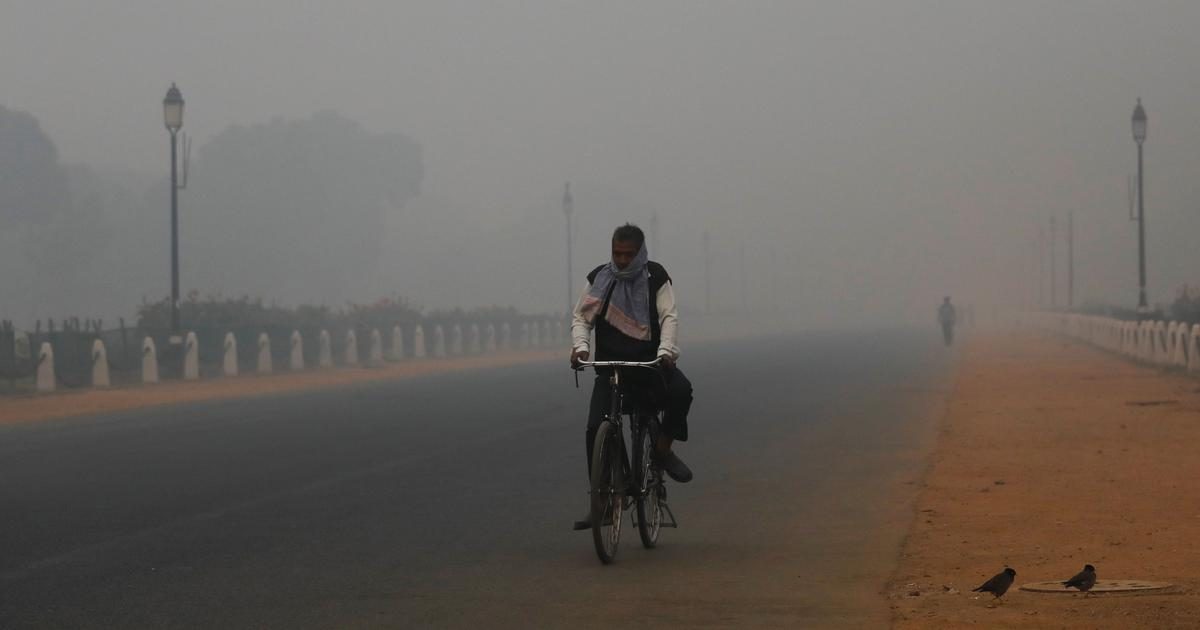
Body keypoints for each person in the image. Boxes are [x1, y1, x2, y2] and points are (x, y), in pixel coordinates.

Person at [570, 223, 694, 531]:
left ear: (640, 253)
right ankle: (602, 501)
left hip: (650, 366)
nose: (622, 261)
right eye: (617, 254)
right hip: (612, 368)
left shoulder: (656, 277)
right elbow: (581, 318)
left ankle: (663, 450)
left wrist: (666, 351)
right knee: (595, 426)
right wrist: (581, 348)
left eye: (629, 254)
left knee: (682, 391)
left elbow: (669, 316)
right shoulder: (599, 279)